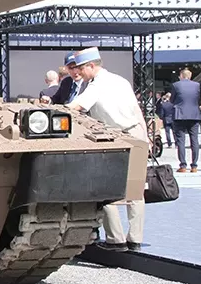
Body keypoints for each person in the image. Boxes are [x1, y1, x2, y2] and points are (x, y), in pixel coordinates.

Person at [64, 47, 149, 253]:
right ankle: (135, 239)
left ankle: (115, 240)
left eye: (81, 68)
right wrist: (145, 137)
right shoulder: (121, 80)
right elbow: (137, 110)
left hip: (114, 138)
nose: (79, 73)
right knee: (135, 191)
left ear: (91, 66)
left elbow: (76, 107)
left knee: (107, 189)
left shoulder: (97, 84)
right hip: (135, 134)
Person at [170, 68, 201, 173]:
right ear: (190, 76)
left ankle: (183, 165)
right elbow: (197, 98)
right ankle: (194, 166)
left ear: (181, 76)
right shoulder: (197, 85)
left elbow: (172, 100)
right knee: (194, 140)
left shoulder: (176, 85)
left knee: (180, 141)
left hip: (180, 114)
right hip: (194, 114)